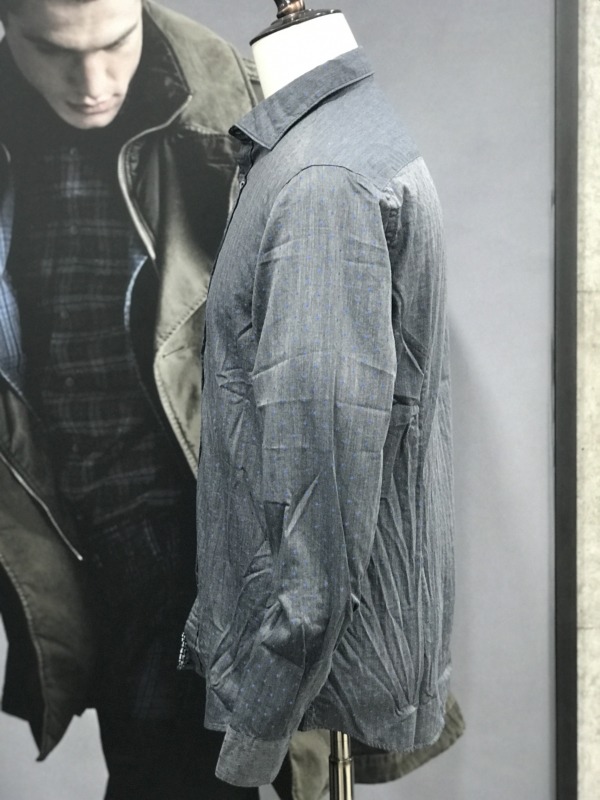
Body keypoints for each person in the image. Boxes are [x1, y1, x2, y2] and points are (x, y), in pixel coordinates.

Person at [0, 0, 272, 797]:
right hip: (58, 518)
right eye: (53, 51)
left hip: (188, 527)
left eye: (115, 44)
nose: (91, 82)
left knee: (177, 766)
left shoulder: (238, 109)